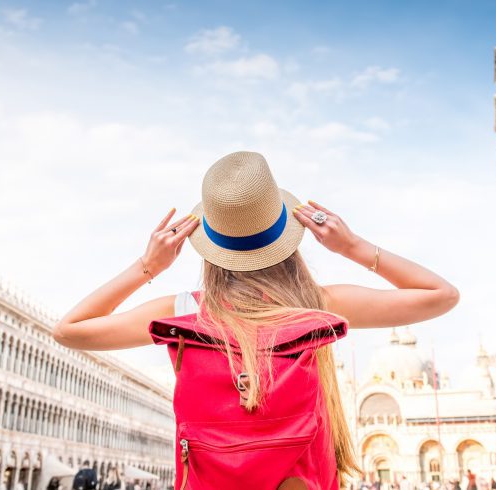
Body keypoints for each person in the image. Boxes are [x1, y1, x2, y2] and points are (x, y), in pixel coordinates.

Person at [52, 151, 459, 488]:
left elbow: (69, 330)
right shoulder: (317, 306)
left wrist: (148, 265)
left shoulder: (180, 313)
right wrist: (352, 246)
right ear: (286, 234)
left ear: (209, 245)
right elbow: (441, 295)